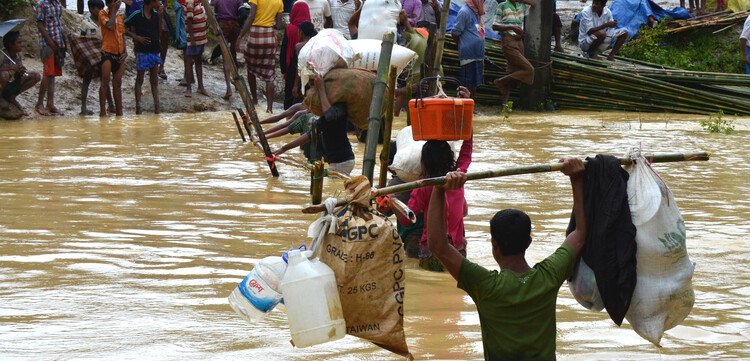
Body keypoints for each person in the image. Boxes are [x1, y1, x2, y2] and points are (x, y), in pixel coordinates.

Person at [425, 157, 585, 360]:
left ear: (494, 245)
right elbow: (580, 233)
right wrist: (576, 178)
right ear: (529, 242)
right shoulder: (549, 276)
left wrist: (439, 189)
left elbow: (437, 245)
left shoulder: (485, 286)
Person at [400, 124, 472, 271]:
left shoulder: (423, 186)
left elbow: (407, 220)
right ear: (450, 157)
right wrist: (469, 130)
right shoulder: (458, 176)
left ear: (424, 162)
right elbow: (466, 154)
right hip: (458, 250)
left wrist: (394, 202)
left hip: (431, 251)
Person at [236, 0, 283, 113]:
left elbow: (251, 16)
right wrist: (270, 23)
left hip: (255, 36)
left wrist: (240, 36)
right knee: (269, 74)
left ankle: (255, 101)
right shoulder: (279, 1)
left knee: (250, 68)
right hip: (269, 37)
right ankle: (269, 109)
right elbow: (279, 25)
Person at [492, 0, 535, 107]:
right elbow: (495, 26)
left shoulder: (522, 6)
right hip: (508, 42)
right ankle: (500, 81)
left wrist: (520, 34)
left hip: (519, 42)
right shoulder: (502, 6)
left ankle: (504, 106)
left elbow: (533, 3)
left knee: (511, 72)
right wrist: (511, 28)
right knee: (529, 69)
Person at [76, 0, 115, 115]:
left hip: (103, 55)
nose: (100, 11)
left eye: (101, 8)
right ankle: (83, 107)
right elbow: (81, 41)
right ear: (91, 9)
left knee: (105, 79)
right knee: (86, 80)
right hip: (90, 57)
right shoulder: (85, 23)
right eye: (98, 8)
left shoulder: (104, 22)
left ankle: (111, 105)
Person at [125, 0, 163, 113]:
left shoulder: (156, 15)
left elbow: (159, 33)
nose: (159, 3)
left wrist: (160, 17)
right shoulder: (137, 14)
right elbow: (122, 26)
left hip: (154, 49)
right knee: (140, 78)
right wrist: (136, 37)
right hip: (142, 51)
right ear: (151, 2)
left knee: (154, 79)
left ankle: (157, 107)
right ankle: (138, 107)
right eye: (157, 1)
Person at [35, 0, 66, 116]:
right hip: (47, 43)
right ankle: (39, 104)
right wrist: (50, 41)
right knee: (47, 73)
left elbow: (57, 21)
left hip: (57, 42)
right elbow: (40, 25)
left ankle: (50, 103)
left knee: (52, 74)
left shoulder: (57, 3)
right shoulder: (41, 4)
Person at [451, 0, 485, 100]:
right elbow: (455, 32)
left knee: (475, 84)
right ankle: (464, 106)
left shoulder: (477, 12)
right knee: (466, 84)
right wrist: (464, 45)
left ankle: (471, 106)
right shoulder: (464, 12)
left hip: (478, 55)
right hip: (468, 56)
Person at [0, 32, 41, 115]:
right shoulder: (2, 55)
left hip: (8, 85)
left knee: (36, 76)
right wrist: (10, 68)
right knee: (5, 74)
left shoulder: (18, 55)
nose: (21, 45)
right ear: (10, 44)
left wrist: (20, 72)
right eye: (19, 43)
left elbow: (16, 77)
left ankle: (11, 97)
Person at [99, 0, 127, 116]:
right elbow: (110, 26)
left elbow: (123, 34)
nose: (118, 4)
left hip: (119, 54)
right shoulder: (102, 14)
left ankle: (119, 112)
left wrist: (125, 51)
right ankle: (102, 112)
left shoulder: (120, 16)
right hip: (107, 53)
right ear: (108, 3)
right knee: (105, 82)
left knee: (117, 84)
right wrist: (114, 12)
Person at [281, 2, 311, 109]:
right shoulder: (313, 32)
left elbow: (284, 51)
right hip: (307, 72)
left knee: (289, 99)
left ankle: (286, 122)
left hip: (291, 69)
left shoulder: (290, 29)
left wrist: (284, 70)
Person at [212, 0, 242, 99]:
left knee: (225, 56)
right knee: (233, 54)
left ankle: (229, 89)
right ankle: (237, 84)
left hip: (222, 24)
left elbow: (215, 9)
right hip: (234, 25)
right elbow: (241, 11)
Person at [184, 0, 209, 97]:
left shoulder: (198, 2)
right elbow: (189, 20)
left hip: (200, 38)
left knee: (198, 61)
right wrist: (192, 39)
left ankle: (200, 87)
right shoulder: (190, 1)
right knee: (190, 62)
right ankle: (189, 88)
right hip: (194, 38)